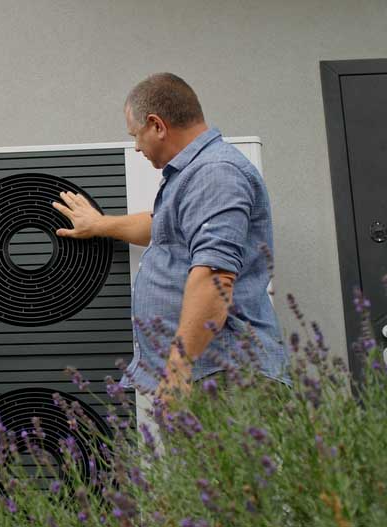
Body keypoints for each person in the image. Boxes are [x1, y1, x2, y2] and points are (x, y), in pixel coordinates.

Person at [53, 72, 289, 399]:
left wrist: (177, 370)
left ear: (157, 125)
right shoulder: (195, 174)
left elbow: (214, 277)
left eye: (136, 135)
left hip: (225, 378)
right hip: (209, 374)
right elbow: (162, 225)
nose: (136, 147)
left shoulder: (214, 173)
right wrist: (99, 225)